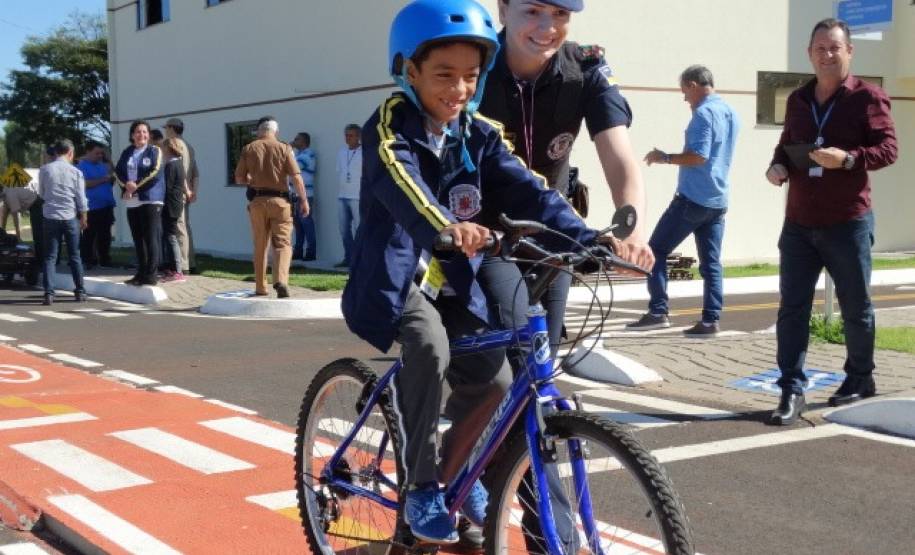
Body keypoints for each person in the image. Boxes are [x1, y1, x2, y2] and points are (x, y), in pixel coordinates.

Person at [342, 0, 602, 544]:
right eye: (443, 75)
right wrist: (445, 225)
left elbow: (527, 188)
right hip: (393, 279)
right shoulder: (390, 123)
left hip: (447, 278)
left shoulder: (477, 131)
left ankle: (457, 470)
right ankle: (421, 488)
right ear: (408, 71)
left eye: (469, 75)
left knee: (496, 381)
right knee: (430, 346)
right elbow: (401, 180)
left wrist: (590, 238)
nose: (458, 89)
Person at [478, 0, 654, 357]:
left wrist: (632, 230)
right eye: (532, 11)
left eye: (560, 15)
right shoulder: (475, 65)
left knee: (544, 356)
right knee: (497, 368)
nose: (547, 28)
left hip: (552, 231)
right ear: (502, 9)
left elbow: (619, 156)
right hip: (486, 232)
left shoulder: (584, 67)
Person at [765, 18, 897, 425]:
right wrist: (776, 165)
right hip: (800, 223)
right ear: (810, 54)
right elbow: (786, 143)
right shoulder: (799, 99)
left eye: (834, 47)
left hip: (847, 221)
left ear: (849, 51)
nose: (827, 54)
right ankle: (791, 389)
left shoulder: (868, 97)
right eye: (819, 48)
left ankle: (860, 378)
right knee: (792, 309)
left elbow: (889, 148)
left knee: (856, 308)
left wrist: (850, 159)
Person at [627, 65, 740, 335]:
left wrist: (664, 157)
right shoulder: (730, 112)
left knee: (655, 250)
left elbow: (699, 156)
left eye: (684, 92)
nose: (684, 98)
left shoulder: (704, 113)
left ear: (693, 85)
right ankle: (711, 320)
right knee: (711, 263)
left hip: (692, 199)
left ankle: (658, 311)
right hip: (717, 200)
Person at [234, 116, 309, 298]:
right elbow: (296, 177)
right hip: (280, 202)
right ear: (276, 132)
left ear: (260, 131)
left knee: (260, 244)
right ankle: (281, 280)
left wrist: (252, 180)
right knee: (283, 243)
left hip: (257, 202)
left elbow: (239, 178)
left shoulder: (249, 148)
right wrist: (304, 200)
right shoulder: (284, 148)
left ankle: (261, 287)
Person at [114, 120, 165, 286]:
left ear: (149, 135)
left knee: (151, 238)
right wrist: (126, 186)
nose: (141, 135)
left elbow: (155, 172)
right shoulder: (127, 152)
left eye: (144, 132)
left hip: (150, 198)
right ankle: (141, 273)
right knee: (138, 238)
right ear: (132, 135)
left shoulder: (154, 151)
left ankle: (151, 275)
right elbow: (118, 172)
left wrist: (134, 186)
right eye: (137, 131)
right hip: (132, 200)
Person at [37, 139, 87, 306]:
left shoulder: (45, 170)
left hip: (50, 217)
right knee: (75, 256)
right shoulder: (76, 172)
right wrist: (84, 217)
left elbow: (42, 193)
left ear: (56, 152)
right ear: (70, 153)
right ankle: (80, 291)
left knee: (50, 257)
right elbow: (81, 198)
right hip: (69, 217)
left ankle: (49, 294)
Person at [164, 118, 199, 273]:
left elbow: (182, 172)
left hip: (178, 193)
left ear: (171, 128)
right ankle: (191, 262)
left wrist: (186, 190)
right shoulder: (189, 146)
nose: (165, 130)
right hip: (186, 192)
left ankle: (183, 265)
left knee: (179, 228)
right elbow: (196, 173)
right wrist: (193, 191)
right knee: (186, 226)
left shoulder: (175, 145)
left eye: (166, 128)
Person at [77, 141, 117, 269]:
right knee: (89, 235)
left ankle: (105, 259)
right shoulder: (81, 167)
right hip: (91, 207)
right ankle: (88, 260)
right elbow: (84, 184)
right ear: (88, 152)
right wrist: (103, 180)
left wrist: (110, 179)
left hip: (106, 205)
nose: (100, 155)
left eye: (101, 153)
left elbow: (112, 175)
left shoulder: (103, 165)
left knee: (105, 234)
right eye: (97, 153)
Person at [159, 138, 189, 283]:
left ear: (168, 148)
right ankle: (171, 269)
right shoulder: (178, 163)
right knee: (168, 235)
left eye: (163, 148)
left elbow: (167, 187)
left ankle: (177, 270)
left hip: (170, 204)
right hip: (175, 203)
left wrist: (159, 202)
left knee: (171, 236)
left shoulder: (171, 165)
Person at [334, 123, 361, 267]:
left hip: (357, 197)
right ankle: (348, 258)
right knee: (344, 230)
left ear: (358, 137)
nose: (347, 138)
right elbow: (341, 172)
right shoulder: (341, 152)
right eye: (346, 135)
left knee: (359, 230)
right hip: (342, 196)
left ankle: (359, 260)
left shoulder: (364, 152)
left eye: (351, 135)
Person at [291, 132, 317, 261]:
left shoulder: (308, 154)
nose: (294, 141)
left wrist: (287, 151)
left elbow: (292, 167)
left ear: (305, 141)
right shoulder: (298, 155)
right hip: (295, 195)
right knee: (298, 225)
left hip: (306, 195)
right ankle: (298, 251)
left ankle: (311, 252)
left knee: (306, 223)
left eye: (297, 139)